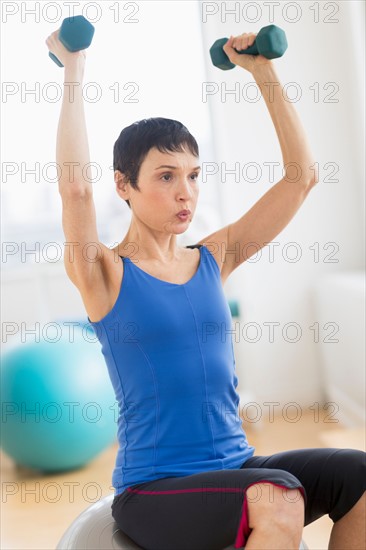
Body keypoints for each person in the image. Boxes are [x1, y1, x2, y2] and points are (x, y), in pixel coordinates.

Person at [46, 27, 365, 550]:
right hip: (155, 489)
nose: (185, 192)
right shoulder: (103, 272)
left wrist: (262, 71)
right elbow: (76, 190)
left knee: (358, 474)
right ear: (124, 185)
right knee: (279, 495)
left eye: (194, 175)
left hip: (236, 467)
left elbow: (300, 177)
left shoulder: (213, 258)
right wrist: (73, 66)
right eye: (167, 176)